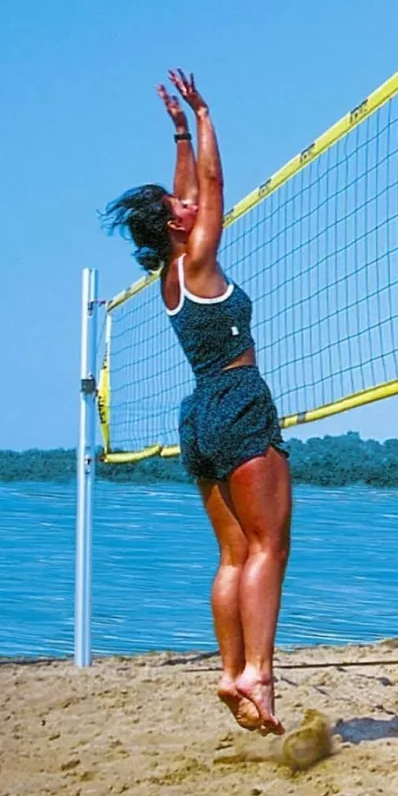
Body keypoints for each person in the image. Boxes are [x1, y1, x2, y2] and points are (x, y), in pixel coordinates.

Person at [101, 70, 292, 734]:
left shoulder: (170, 278)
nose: (187, 205)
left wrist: (179, 132)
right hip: (238, 400)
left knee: (234, 554)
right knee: (270, 547)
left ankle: (230, 671)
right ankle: (261, 679)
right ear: (176, 227)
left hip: (200, 414)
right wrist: (207, 114)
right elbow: (208, 189)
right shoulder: (201, 257)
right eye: (175, 208)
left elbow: (185, 192)